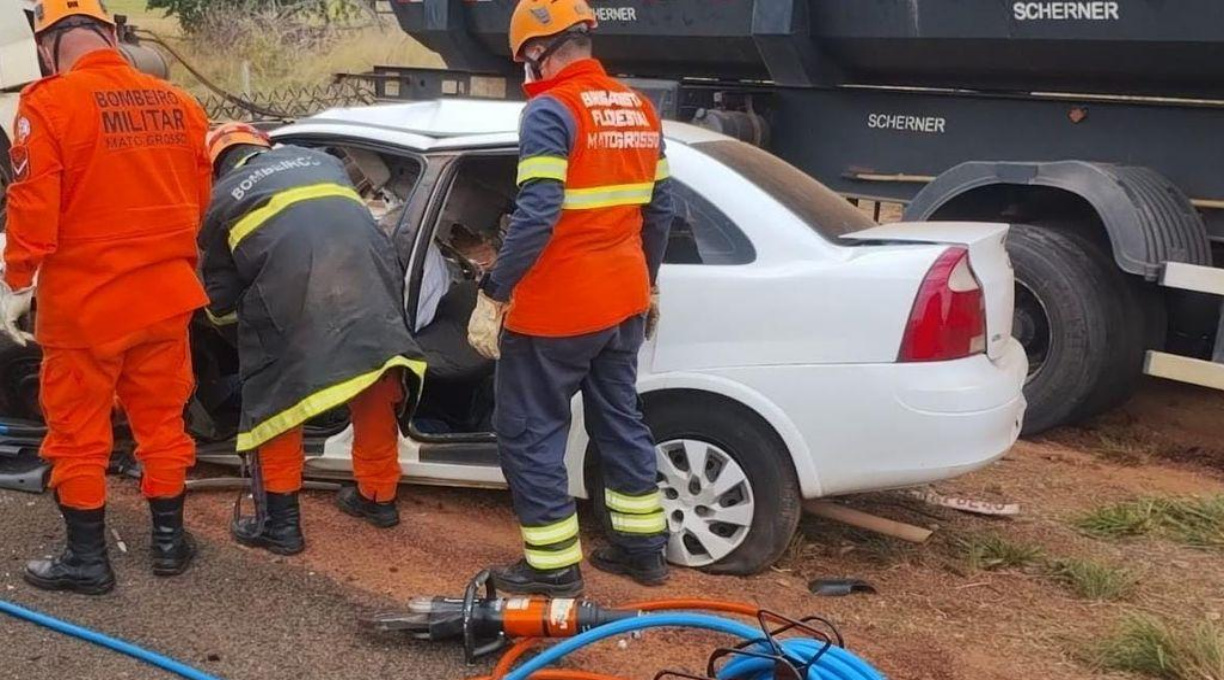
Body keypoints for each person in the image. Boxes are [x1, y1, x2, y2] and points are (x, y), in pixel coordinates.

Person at [0, 0, 213, 595]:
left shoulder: (49, 104)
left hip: (87, 307)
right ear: (112, 34)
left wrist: (17, 275)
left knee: (77, 433)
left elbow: (32, 207)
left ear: (47, 48)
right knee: (162, 423)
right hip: (167, 297)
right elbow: (200, 201)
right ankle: (170, 544)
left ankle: (87, 561)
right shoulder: (181, 103)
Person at [467, 0, 675, 597]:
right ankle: (644, 551)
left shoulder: (550, 111)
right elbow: (662, 210)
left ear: (538, 50)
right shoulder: (639, 108)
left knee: (529, 432)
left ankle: (553, 566)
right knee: (620, 420)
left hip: (558, 309)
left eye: (524, 58)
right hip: (623, 302)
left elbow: (536, 214)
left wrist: (494, 290)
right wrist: (649, 280)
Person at [200, 123, 427, 555]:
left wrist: (233, 328)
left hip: (296, 308)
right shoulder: (324, 162)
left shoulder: (220, 199)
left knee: (277, 406)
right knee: (373, 384)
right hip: (372, 292)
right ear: (260, 143)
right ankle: (378, 498)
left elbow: (220, 300)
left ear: (214, 166)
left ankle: (279, 525)